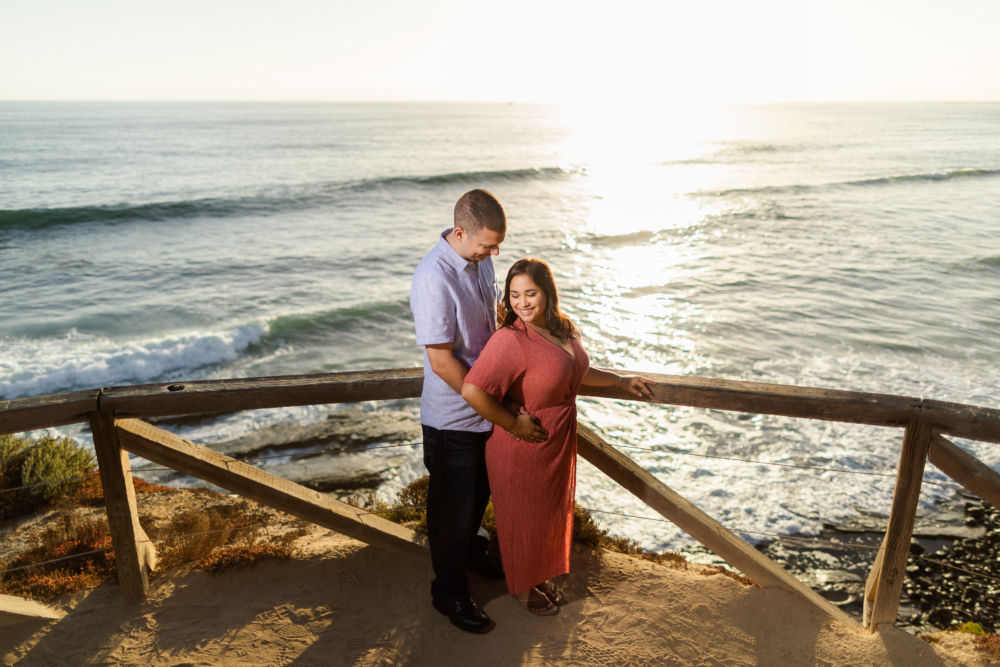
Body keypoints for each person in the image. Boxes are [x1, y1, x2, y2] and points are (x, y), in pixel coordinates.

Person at [461, 257, 652, 615]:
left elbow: (581, 370)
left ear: (547, 293)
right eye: (514, 295)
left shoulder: (564, 329)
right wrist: (512, 423)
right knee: (524, 518)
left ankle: (535, 575)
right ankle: (521, 588)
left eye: (530, 293)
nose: (522, 303)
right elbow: (473, 391)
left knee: (547, 514)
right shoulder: (510, 339)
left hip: (557, 440)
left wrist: (620, 381)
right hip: (523, 443)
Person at [410, 189, 546, 634]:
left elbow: (490, 323)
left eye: (498, 244)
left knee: (477, 500)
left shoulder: (478, 258)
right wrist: (504, 412)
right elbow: (442, 360)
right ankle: (448, 595)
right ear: (461, 231)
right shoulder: (433, 276)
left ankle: (471, 556)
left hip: (486, 409)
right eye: (489, 244)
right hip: (453, 418)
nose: (496, 253)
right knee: (452, 515)